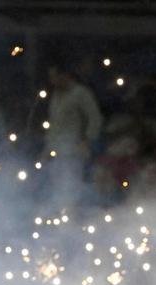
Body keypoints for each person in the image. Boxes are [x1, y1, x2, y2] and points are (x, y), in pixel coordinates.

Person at [43, 58, 103, 201]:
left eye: (55, 76)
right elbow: (55, 125)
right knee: (57, 189)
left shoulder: (81, 93)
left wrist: (87, 140)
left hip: (73, 151)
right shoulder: (56, 96)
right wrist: (46, 149)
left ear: (65, 75)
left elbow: (95, 118)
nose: (52, 81)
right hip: (56, 152)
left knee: (72, 188)